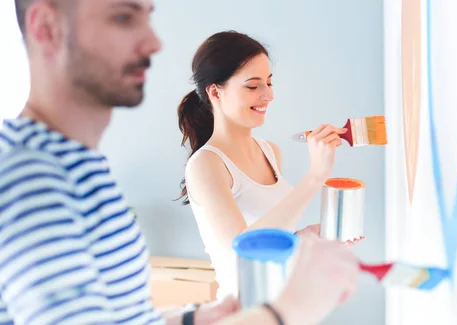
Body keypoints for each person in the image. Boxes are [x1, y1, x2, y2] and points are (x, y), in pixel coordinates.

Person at [0, 0, 359, 324]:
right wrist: (287, 311)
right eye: (123, 17)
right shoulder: (30, 177)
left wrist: (192, 319)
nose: (154, 42)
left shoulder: (81, 170)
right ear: (45, 27)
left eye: (148, 17)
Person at [177, 31, 363, 300]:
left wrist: (310, 236)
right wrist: (315, 176)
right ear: (215, 92)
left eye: (269, 82)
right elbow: (243, 249)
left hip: (285, 305)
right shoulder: (206, 164)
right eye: (253, 86)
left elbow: (273, 237)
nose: (268, 95)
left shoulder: (269, 152)